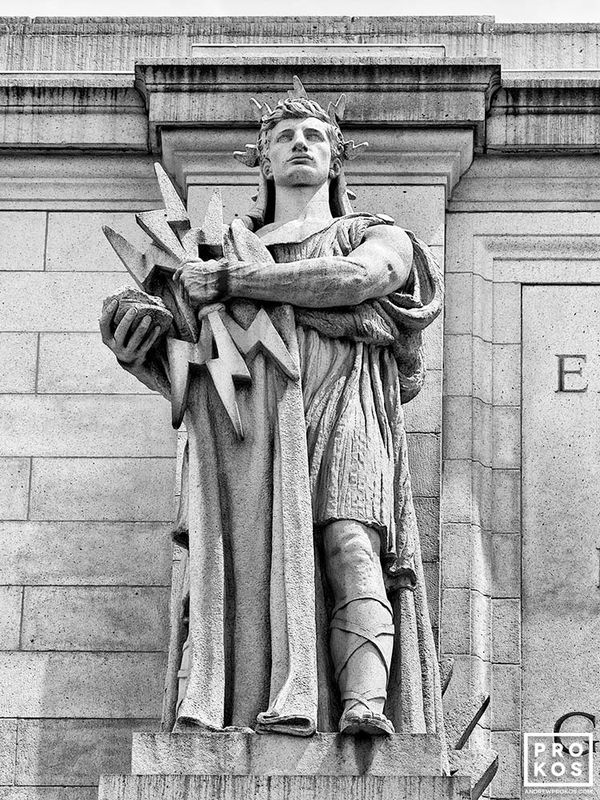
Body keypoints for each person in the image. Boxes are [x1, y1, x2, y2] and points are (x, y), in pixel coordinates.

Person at [100, 81, 444, 740]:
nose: (299, 146)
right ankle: (239, 698)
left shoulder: (373, 234)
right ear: (263, 160)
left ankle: (363, 701)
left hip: (345, 399)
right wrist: (131, 328)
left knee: (351, 541)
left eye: (315, 137)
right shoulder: (218, 244)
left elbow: (360, 280)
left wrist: (236, 282)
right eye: (283, 137)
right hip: (248, 428)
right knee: (238, 564)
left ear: (338, 158)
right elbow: (185, 340)